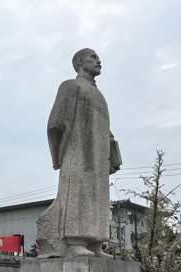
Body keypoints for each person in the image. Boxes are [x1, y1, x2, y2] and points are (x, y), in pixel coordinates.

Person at [36, 48, 121, 258]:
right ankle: (75, 242)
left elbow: (106, 129)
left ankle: (96, 244)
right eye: (93, 57)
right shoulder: (70, 86)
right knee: (78, 194)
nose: (99, 61)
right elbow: (56, 123)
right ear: (81, 61)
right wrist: (60, 156)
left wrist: (112, 152)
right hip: (78, 153)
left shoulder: (98, 94)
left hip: (99, 157)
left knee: (99, 196)